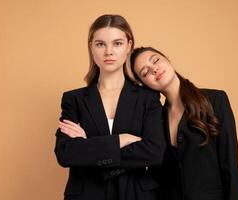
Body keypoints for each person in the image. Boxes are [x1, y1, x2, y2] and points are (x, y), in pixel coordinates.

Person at [54, 16, 166, 200]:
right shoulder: (74, 99)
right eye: (100, 44)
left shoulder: (148, 98)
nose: (109, 52)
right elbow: (65, 153)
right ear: (91, 47)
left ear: (129, 45)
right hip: (87, 194)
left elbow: (154, 152)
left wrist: (89, 146)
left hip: (136, 194)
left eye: (117, 43)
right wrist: (120, 140)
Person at [130, 46, 238, 200]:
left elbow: (230, 165)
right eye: (145, 72)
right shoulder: (155, 119)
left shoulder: (215, 100)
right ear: (144, 84)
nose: (154, 70)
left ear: (168, 60)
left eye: (156, 60)